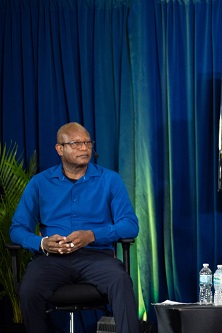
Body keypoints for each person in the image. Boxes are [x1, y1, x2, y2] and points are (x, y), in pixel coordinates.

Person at [10, 122, 140, 333]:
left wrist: (92, 235)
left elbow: (130, 225)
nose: (84, 148)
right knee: (29, 289)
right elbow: (17, 229)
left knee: (121, 280)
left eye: (88, 142)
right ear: (60, 149)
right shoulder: (40, 183)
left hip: (96, 258)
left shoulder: (109, 180)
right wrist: (42, 243)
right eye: (76, 143)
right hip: (51, 260)